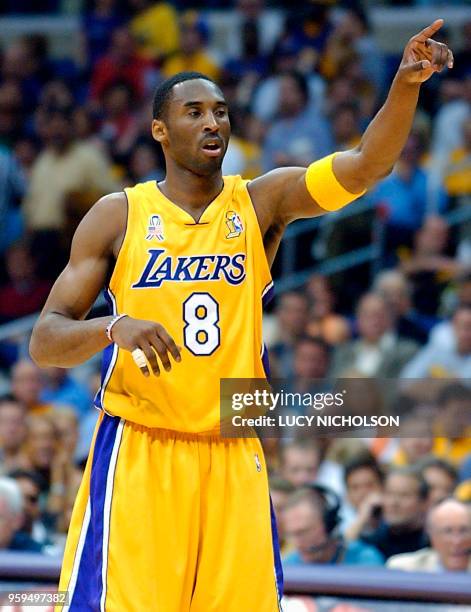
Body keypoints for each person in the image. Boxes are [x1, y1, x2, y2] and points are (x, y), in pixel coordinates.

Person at [29, 21, 453, 611]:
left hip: (233, 444)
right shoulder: (117, 214)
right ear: (159, 130)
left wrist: (405, 86)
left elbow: (363, 168)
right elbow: (44, 341)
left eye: (222, 112)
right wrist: (110, 327)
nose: (212, 123)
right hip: (142, 445)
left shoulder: (262, 201)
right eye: (194, 112)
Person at [282, 486, 384, 567]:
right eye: (291, 534)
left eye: (303, 532)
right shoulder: (287, 567)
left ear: (329, 525)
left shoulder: (366, 560)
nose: (297, 542)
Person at [387, 498, 471, 572]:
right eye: (448, 531)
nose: (457, 541)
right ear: (431, 535)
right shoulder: (403, 569)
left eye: (464, 531)